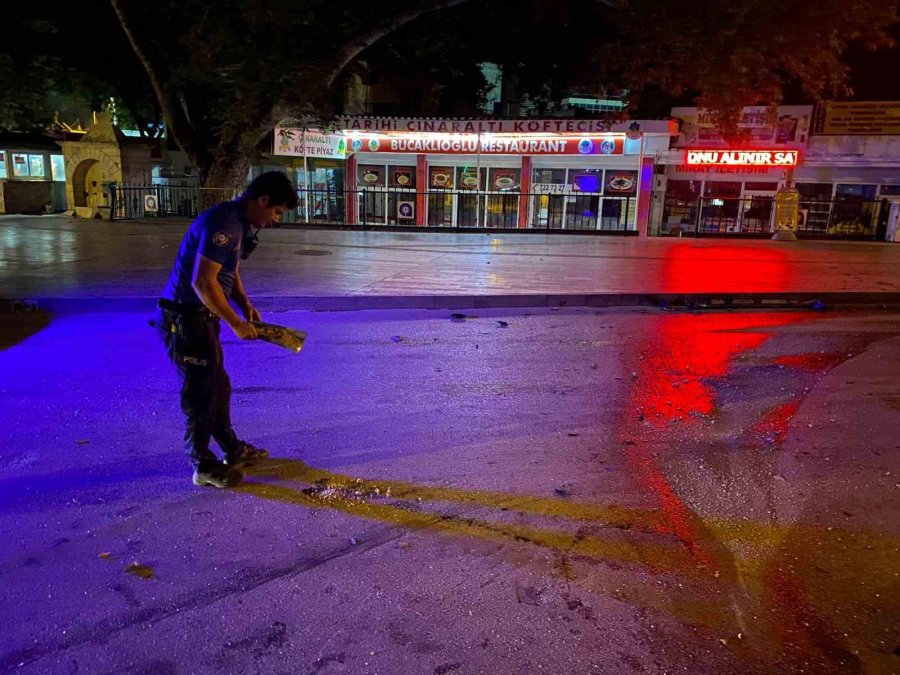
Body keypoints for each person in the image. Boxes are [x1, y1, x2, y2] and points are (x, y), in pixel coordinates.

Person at [155, 171, 298, 488]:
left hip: (201, 320)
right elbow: (202, 281)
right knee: (200, 394)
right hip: (184, 320)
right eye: (275, 212)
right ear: (262, 201)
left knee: (218, 388)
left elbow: (228, 271)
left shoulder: (237, 223)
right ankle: (202, 465)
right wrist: (236, 323)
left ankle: (231, 449)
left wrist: (243, 303)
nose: (274, 220)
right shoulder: (224, 222)